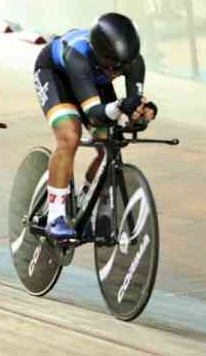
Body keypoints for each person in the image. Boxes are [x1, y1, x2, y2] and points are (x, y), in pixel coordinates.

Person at [32, 13, 157, 241]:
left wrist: (141, 115)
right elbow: (95, 114)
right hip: (56, 76)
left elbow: (130, 111)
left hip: (91, 82)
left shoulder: (133, 61)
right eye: (111, 67)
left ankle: (85, 199)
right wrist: (121, 105)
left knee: (112, 139)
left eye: (121, 68)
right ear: (99, 54)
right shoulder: (79, 55)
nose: (116, 72)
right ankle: (56, 215)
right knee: (70, 136)